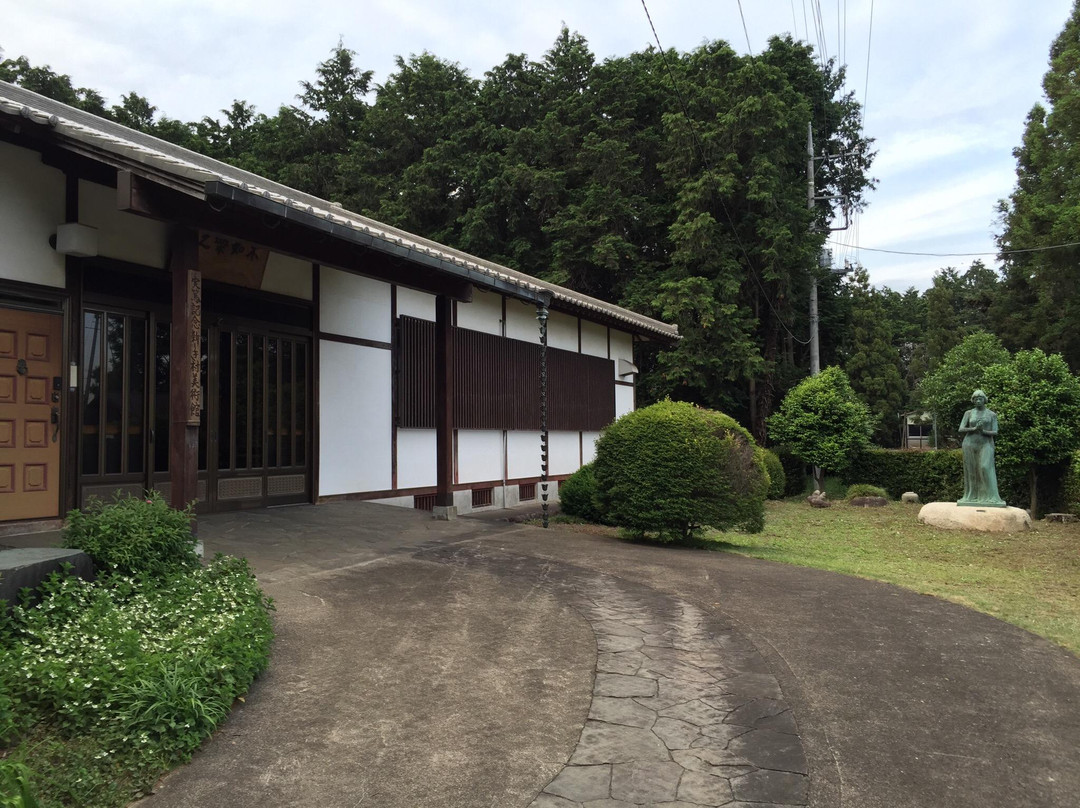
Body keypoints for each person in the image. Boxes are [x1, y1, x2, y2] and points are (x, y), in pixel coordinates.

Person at [957, 389, 1006, 507]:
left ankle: (991, 497)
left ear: (985, 400)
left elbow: (995, 431)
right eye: (976, 399)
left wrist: (983, 431)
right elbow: (961, 429)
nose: (978, 401)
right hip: (969, 443)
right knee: (971, 470)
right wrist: (973, 429)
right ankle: (971, 496)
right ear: (973, 401)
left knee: (985, 467)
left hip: (986, 443)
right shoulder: (968, 413)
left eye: (980, 398)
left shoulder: (991, 414)